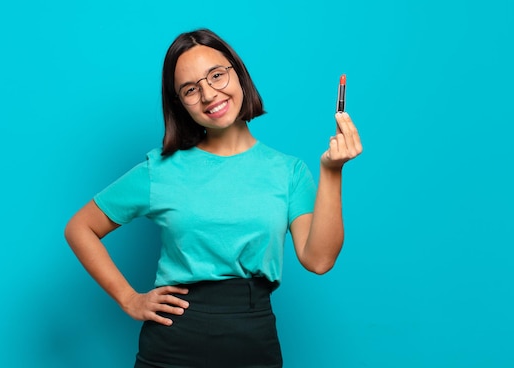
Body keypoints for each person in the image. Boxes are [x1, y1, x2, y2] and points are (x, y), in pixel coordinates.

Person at [64, 28, 362, 368]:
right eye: (191, 89)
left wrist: (332, 171)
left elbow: (319, 260)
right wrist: (129, 299)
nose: (208, 94)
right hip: (172, 344)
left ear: (238, 72)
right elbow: (80, 228)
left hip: (253, 338)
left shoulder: (288, 171)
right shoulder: (161, 170)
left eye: (216, 75)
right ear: (179, 104)